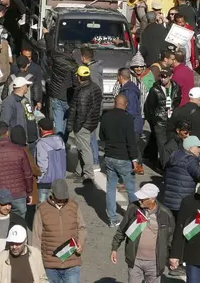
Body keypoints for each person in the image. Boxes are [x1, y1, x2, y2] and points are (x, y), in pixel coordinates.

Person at [110, 183, 175, 283]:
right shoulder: (133, 208)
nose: (139, 201)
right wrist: (114, 248)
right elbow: (122, 229)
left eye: (143, 199)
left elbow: (171, 238)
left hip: (155, 262)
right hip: (135, 260)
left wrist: (173, 257)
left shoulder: (165, 214)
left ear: (152, 199)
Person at [31, 179, 87, 283]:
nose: (62, 200)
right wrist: (36, 263)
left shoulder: (74, 206)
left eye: (64, 197)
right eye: (59, 198)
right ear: (52, 195)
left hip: (72, 262)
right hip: (50, 265)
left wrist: (80, 244)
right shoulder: (42, 209)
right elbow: (36, 237)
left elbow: (82, 228)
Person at [99, 94, 140, 226]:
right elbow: (131, 141)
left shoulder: (105, 117)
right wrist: (135, 159)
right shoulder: (128, 119)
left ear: (114, 103)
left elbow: (101, 136)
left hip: (110, 156)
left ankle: (112, 219)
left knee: (110, 188)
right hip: (124, 158)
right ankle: (134, 216)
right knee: (130, 189)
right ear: (126, 104)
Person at [161, 136, 200, 217]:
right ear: (190, 148)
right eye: (198, 147)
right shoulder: (190, 160)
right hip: (182, 202)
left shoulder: (176, 155)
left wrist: (197, 166)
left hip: (169, 200)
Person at [67, 65, 103, 182]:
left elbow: (81, 112)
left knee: (85, 149)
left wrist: (76, 126)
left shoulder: (82, 91)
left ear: (79, 77)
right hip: (92, 122)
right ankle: (79, 171)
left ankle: (88, 174)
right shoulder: (95, 87)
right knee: (82, 148)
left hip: (84, 124)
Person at [34, 117, 66, 203]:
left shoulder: (41, 143)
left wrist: (39, 179)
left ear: (40, 129)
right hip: (60, 179)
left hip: (45, 181)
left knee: (42, 206)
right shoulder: (60, 141)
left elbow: (42, 165)